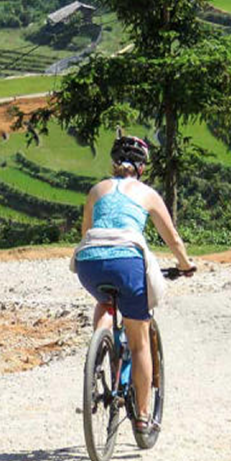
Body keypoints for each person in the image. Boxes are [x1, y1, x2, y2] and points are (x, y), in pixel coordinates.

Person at [72, 131, 195, 435]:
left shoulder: (96, 190)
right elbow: (173, 239)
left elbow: (86, 232)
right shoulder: (147, 194)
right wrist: (185, 264)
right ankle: (141, 417)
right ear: (142, 168)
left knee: (105, 301)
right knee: (139, 342)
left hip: (89, 261)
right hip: (127, 261)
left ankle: (99, 350)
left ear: (114, 163)